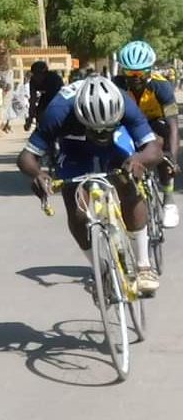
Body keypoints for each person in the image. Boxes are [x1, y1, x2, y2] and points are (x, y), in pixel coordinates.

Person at [17, 76, 161, 294]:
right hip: (75, 147)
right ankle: (100, 268)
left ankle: (143, 265)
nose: (101, 133)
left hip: (116, 143)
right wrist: (37, 174)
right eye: (96, 129)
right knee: (76, 204)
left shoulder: (123, 103)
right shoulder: (58, 111)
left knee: (127, 183)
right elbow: (26, 156)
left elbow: (153, 149)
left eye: (106, 128)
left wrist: (139, 160)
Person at [114, 40, 179, 228]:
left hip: (155, 124)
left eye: (140, 72)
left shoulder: (162, 87)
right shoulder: (116, 85)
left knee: (160, 147)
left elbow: (173, 126)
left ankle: (168, 199)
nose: (135, 77)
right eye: (129, 72)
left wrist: (173, 159)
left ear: (149, 70)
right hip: (128, 124)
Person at [26, 61, 64, 131]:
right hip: (45, 97)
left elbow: (58, 97)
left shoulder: (54, 78)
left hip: (57, 96)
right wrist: (30, 119)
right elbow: (32, 100)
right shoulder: (33, 80)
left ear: (44, 73)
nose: (36, 77)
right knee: (40, 112)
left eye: (38, 74)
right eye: (34, 74)